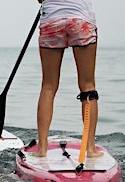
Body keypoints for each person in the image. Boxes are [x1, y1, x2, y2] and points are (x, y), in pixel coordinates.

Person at [34, 0, 103, 157]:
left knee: (48, 86)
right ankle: (90, 149)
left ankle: (42, 149)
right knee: (88, 86)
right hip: (81, 19)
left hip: (51, 19)